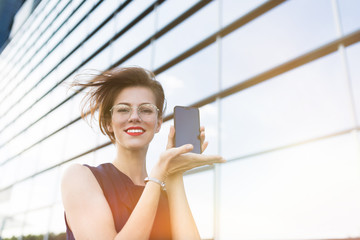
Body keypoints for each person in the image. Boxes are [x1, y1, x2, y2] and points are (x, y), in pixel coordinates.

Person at [61, 66, 225, 240]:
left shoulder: (165, 195)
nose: (134, 117)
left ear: (158, 123)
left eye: (146, 110)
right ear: (109, 123)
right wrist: (159, 174)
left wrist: (174, 174)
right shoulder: (80, 177)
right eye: (123, 109)